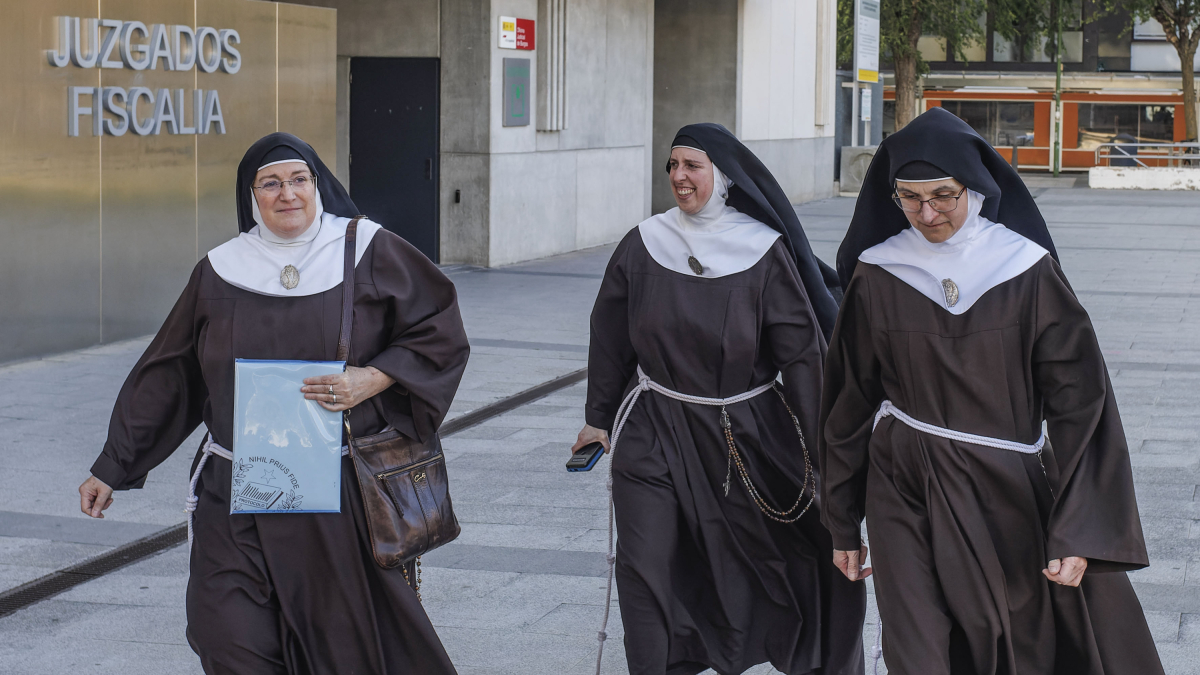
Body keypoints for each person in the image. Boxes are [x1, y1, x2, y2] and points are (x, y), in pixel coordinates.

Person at [77, 132, 469, 674]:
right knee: (226, 636)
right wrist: (113, 465)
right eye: (271, 183)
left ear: (317, 185)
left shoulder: (368, 248)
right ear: (251, 195)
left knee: (342, 647)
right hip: (236, 491)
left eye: (299, 179)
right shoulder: (221, 269)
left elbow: (439, 332)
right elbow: (171, 373)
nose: (288, 194)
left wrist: (373, 378)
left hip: (335, 493)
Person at [820, 107, 1164, 674]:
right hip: (901, 479)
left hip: (1003, 484)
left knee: (1006, 639)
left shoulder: (1024, 270)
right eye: (909, 198)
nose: (926, 214)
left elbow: (1083, 403)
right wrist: (840, 518)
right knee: (916, 644)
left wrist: (1079, 527)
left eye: (943, 196)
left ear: (975, 187)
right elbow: (849, 400)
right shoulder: (879, 272)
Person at [576, 123, 865, 675]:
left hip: (745, 434)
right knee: (646, 564)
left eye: (693, 166)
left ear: (724, 177)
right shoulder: (644, 243)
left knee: (773, 562)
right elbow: (609, 334)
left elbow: (802, 357)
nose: (679, 178)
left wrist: (830, 456)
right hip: (655, 429)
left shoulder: (760, 251)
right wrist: (598, 418)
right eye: (673, 166)